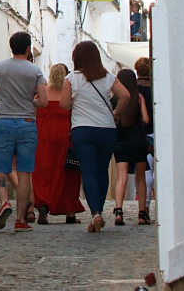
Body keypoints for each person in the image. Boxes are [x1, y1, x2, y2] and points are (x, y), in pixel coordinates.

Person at [59, 41, 132, 233]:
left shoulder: (71, 79)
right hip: (106, 130)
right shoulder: (108, 77)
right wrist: (116, 113)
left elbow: (64, 105)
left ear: (77, 58)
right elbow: (125, 96)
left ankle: (96, 213)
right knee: (101, 171)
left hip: (82, 130)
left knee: (88, 171)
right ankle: (98, 212)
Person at [0, 31, 48, 232]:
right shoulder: (35, 71)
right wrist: (29, 101)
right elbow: (44, 101)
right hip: (27, 123)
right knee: (24, 172)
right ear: (29, 49)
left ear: (11, 47)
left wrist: (4, 99)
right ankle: (21, 219)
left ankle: (4, 202)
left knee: (1, 168)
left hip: (4, 122)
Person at [33, 63, 84, 225]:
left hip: (43, 134)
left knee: (43, 170)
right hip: (64, 133)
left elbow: (34, 113)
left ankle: (43, 204)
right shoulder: (69, 94)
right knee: (68, 171)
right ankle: (70, 212)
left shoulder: (42, 93)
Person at [112, 69, 152, 225]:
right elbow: (147, 119)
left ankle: (119, 212)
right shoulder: (138, 97)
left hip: (121, 141)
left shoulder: (114, 100)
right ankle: (142, 214)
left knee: (122, 178)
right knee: (140, 178)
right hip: (138, 140)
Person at [135, 57, 155, 209]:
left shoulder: (132, 88)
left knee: (144, 171)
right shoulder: (155, 87)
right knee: (153, 170)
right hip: (155, 132)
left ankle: (145, 205)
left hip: (139, 133)